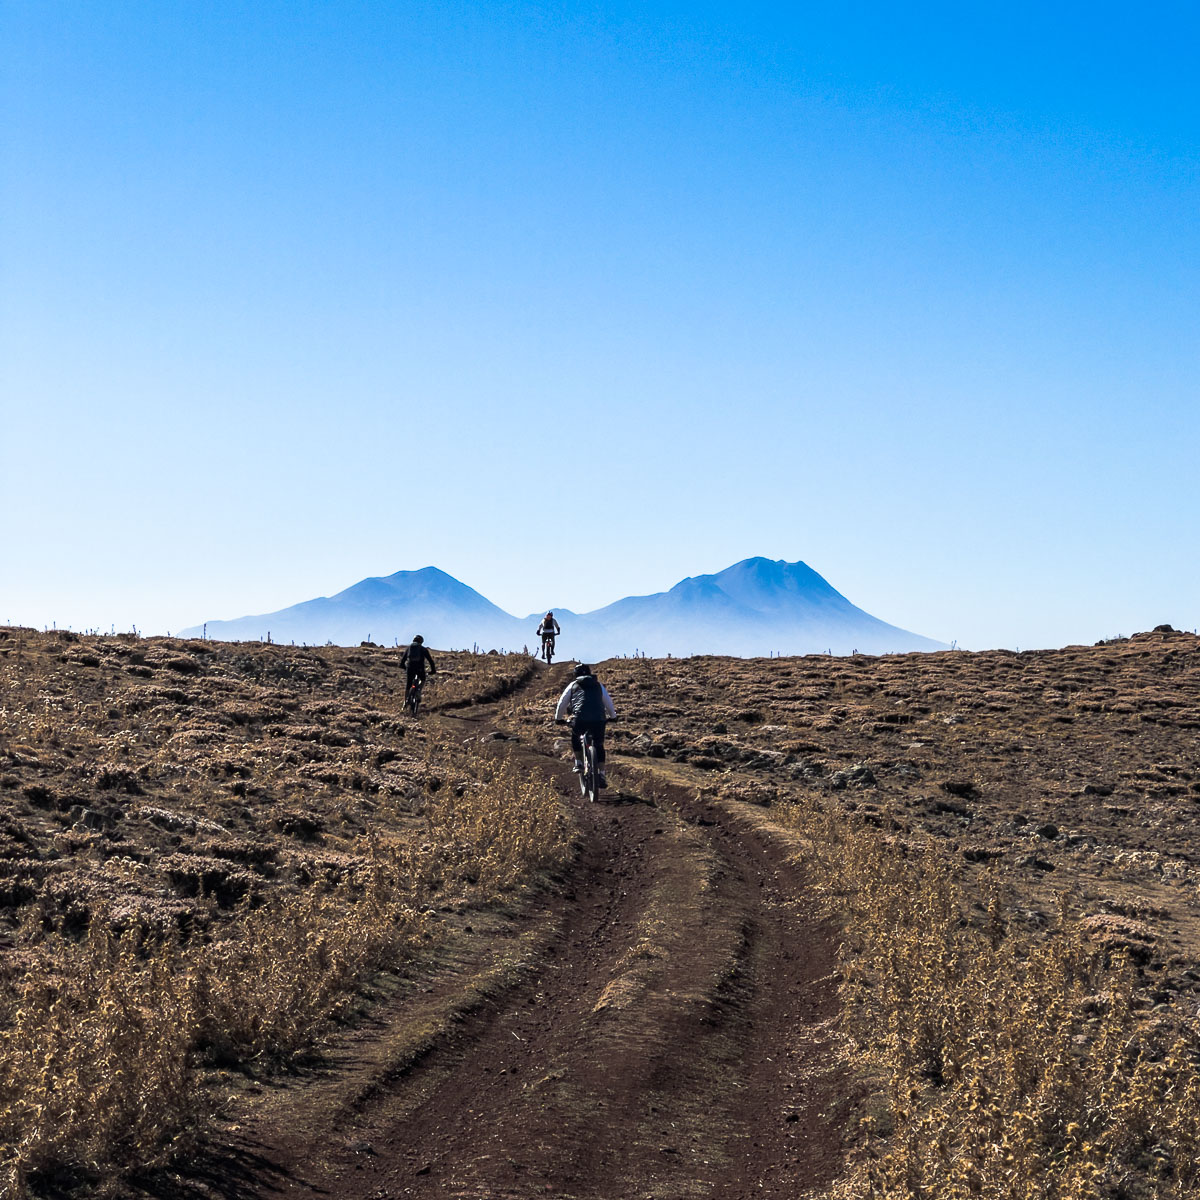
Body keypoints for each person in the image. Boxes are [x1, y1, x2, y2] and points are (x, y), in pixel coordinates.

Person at [555, 663, 616, 786]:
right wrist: (613, 717)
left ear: (575, 675)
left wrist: (558, 719)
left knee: (575, 736)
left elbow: (562, 703)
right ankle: (602, 774)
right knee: (599, 745)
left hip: (580, 719)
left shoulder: (573, 685)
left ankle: (578, 762)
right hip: (599, 719)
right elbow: (608, 702)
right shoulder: (598, 685)